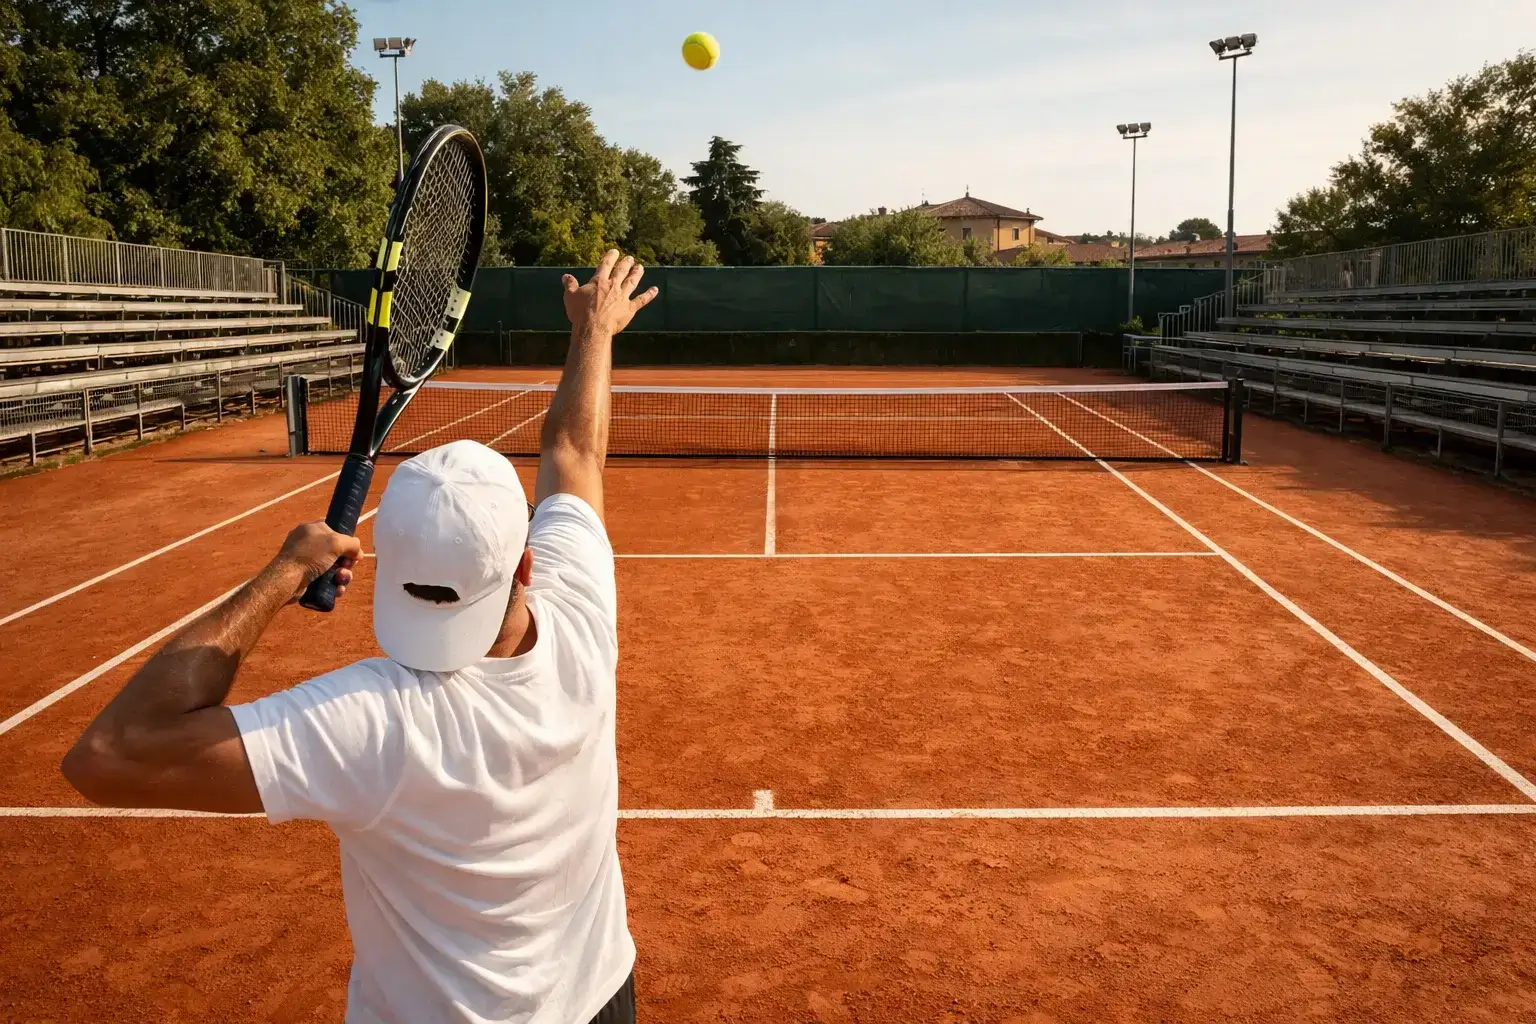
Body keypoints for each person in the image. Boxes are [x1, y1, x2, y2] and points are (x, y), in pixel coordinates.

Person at [61, 250, 660, 1024]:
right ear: (525, 565)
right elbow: (573, 455)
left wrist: (281, 576)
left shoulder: (373, 719)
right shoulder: (580, 613)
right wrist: (594, 332)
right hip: (602, 996)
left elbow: (110, 756)